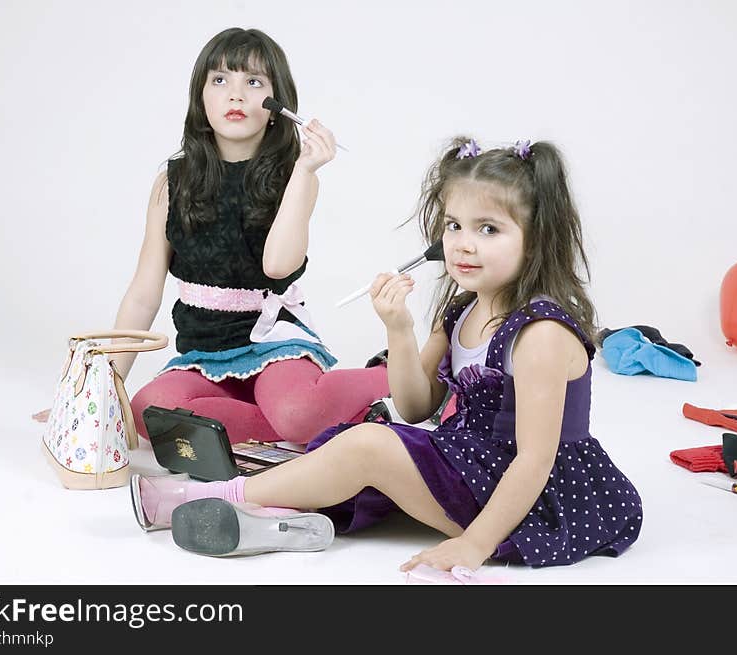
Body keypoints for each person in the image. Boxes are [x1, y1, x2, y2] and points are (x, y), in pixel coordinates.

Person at [133, 136, 644, 571]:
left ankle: (213, 498)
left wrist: (474, 544)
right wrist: (398, 329)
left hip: (535, 497)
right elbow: (417, 405)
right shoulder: (464, 311)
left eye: (488, 229)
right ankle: (277, 523)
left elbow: (535, 460)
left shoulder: (540, 335)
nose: (463, 244)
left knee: (367, 449)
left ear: (536, 241)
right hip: (472, 466)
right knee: (347, 458)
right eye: (454, 225)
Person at [34, 28, 389, 444]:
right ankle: (301, 419)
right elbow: (144, 294)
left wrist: (306, 170)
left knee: (296, 411)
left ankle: (388, 375)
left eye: (253, 82)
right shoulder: (173, 181)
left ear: (277, 107)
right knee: (146, 415)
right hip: (204, 353)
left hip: (272, 342)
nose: (235, 95)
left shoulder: (296, 177)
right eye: (220, 80)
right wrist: (105, 389)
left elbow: (277, 266)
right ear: (200, 99)